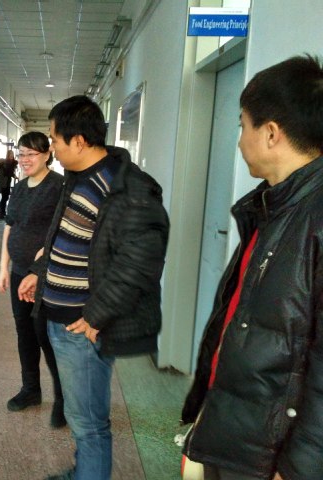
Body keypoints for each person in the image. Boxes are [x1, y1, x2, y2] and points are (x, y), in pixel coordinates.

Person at [181, 55, 323, 480]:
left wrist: (299, 469)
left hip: (270, 457)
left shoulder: (313, 217)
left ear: (271, 133)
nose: (241, 140)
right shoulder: (272, 207)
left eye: (243, 125)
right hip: (239, 430)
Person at [18, 95, 169, 480]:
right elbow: (64, 237)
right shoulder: (78, 178)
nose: (52, 148)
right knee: (80, 415)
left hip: (82, 326)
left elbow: (139, 265)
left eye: (55, 140)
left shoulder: (126, 189)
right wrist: (40, 271)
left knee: (89, 423)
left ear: (80, 141)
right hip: (60, 317)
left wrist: (96, 316)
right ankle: (84, 471)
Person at [0, 131, 66, 428]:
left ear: (47, 154)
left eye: (31, 154)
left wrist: (38, 269)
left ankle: (64, 398)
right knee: (24, 331)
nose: (25, 160)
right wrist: (4, 267)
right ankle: (31, 389)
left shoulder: (58, 186)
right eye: (21, 154)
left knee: (46, 335)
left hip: (44, 275)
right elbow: (10, 227)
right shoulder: (20, 187)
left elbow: (59, 232)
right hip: (19, 272)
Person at [0, 149, 18, 219]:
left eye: (12, 155)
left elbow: (10, 172)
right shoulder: (4, 163)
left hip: (7, 183)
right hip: (4, 184)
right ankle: (1, 213)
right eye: (10, 155)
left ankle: (2, 212)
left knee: (5, 198)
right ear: (8, 155)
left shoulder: (11, 163)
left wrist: (14, 176)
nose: (11, 156)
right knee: (4, 198)